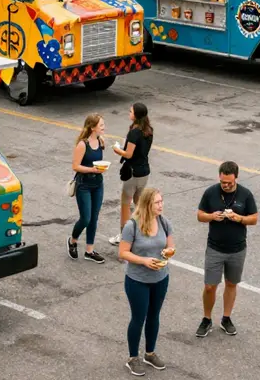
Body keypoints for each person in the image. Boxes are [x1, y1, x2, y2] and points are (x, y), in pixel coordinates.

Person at [196, 160, 258, 338]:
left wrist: (240, 218)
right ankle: (206, 319)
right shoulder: (211, 192)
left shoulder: (245, 194)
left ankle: (226, 318)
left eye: (229, 182)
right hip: (214, 248)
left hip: (237, 249)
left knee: (231, 284)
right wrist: (211, 216)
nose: (226, 185)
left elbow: (254, 218)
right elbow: (200, 215)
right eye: (223, 182)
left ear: (236, 178)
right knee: (210, 286)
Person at [119, 187, 174, 376]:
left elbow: (171, 246)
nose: (161, 205)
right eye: (157, 202)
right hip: (137, 280)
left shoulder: (164, 222)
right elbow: (123, 252)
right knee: (138, 317)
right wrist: (144, 261)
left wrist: (168, 253)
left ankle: (149, 353)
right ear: (147, 204)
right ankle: (132, 358)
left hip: (161, 277)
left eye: (161, 201)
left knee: (154, 316)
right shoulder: (132, 226)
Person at [110, 103, 154, 245]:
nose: (129, 113)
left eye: (131, 111)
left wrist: (117, 150)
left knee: (125, 204)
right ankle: (143, 232)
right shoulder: (149, 130)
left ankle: (124, 236)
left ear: (136, 115)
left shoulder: (134, 132)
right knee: (139, 204)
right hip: (144, 172)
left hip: (132, 173)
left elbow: (128, 154)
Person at [67, 113, 106, 264]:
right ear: (93, 127)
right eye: (101, 125)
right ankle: (73, 240)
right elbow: (75, 166)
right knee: (86, 218)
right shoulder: (83, 144)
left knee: (94, 218)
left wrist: (100, 169)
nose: (104, 127)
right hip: (84, 185)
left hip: (98, 184)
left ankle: (89, 251)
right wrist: (92, 170)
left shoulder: (101, 141)